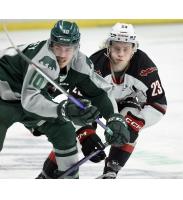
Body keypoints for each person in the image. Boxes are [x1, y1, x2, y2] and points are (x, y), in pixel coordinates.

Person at [0, 20, 131, 179]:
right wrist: (64, 109)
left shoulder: (80, 64)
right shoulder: (43, 60)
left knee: (64, 132)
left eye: (68, 48)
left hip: (27, 101)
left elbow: (99, 93)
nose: (62, 54)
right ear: (50, 44)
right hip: (5, 99)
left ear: (77, 48)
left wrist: (115, 117)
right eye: (58, 47)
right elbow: (30, 100)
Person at [36, 22, 167, 179]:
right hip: (95, 103)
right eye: (117, 48)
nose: (121, 53)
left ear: (134, 49)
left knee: (128, 124)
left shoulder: (144, 66)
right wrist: (85, 134)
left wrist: (138, 122)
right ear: (108, 47)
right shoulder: (94, 65)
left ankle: (111, 172)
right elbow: (78, 105)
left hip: (127, 103)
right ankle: (47, 173)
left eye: (126, 48)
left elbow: (159, 104)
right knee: (71, 134)